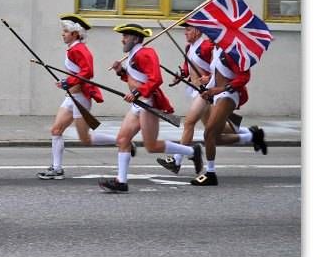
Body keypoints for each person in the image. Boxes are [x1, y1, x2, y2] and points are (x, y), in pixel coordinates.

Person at [98, 24, 203, 193]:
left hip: (147, 104)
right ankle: (121, 182)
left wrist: (137, 93)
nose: (122, 39)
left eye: (126, 35)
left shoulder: (146, 53)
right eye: (123, 35)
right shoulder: (134, 55)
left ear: (136, 38)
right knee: (123, 140)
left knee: (151, 146)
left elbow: (156, 79)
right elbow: (136, 79)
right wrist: (121, 72)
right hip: (137, 104)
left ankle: (192, 150)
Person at [157, 23, 267, 175]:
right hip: (198, 92)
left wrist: (207, 78)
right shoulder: (190, 48)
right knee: (216, 132)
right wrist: (181, 75)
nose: (185, 33)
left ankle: (177, 160)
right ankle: (251, 134)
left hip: (207, 91)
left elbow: (217, 69)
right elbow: (187, 65)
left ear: (196, 31)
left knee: (189, 122)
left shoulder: (207, 47)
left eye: (188, 30)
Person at [37, 14, 124, 180]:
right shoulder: (73, 49)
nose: (62, 34)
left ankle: (121, 141)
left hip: (80, 98)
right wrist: (67, 83)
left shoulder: (79, 49)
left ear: (75, 33)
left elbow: (88, 72)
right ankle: (57, 169)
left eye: (65, 31)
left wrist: (68, 81)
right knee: (56, 130)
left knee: (85, 138)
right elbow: (77, 72)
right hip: (71, 96)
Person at [190, 45, 257, 186]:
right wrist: (208, 89)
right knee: (216, 138)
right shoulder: (216, 49)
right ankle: (252, 136)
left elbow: (244, 77)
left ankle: (210, 174)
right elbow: (216, 76)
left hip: (230, 95)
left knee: (208, 133)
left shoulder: (234, 51)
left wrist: (219, 89)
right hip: (219, 95)